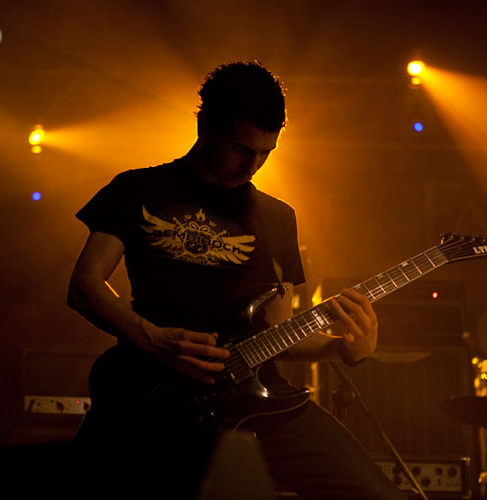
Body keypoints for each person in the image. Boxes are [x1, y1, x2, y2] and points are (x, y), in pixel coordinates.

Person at [67, 61, 406, 500]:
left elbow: (280, 333)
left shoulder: (278, 217)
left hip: (259, 401)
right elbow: (85, 285)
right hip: (154, 394)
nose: (253, 164)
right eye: (241, 148)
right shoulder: (138, 189)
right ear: (205, 127)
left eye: (266, 153)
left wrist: (342, 348)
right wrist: (152, 338)